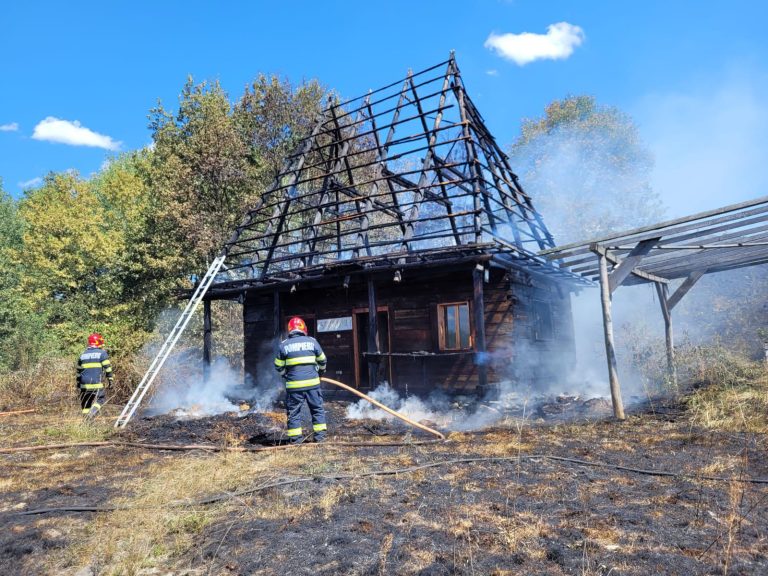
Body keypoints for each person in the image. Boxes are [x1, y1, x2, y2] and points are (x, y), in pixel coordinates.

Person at [274, 317, 328, 443]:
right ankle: (320, 438)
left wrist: (285, 375)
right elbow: (323, 360)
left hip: (294, 386)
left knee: (294, 413)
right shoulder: (312, 342)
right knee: (317, 409)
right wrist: (320, 372)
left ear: (290, 330)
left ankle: (296, 440)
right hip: (312, 384)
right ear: (304, 328)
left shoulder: (284, 345)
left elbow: (278, 365)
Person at [76, 333, 114, 418]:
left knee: (86, 403)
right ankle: (93, 412)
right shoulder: (102, 353)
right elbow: (108, 368)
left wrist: (78, 385)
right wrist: (110, 380)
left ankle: (87, 423)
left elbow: (78, 372)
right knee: (101, 400)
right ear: (97, 342)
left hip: (84, 385)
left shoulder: (82, 355)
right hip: (96, 383)